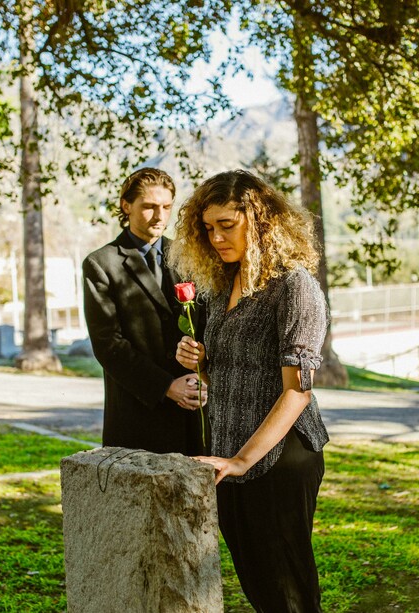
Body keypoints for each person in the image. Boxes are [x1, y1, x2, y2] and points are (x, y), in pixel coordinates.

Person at [170, 169, 329, 612]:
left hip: (280, 458)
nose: (217, 238)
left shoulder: (295, 287)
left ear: (260, 222)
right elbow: (226, 373)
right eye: (208, 228)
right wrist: (197, 361)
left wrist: (242, 460)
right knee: (261, 590)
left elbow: (297, 391)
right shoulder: (221, 287)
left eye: (227, 225)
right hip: (228, 458)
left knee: (289, 593)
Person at [82, 167, 206, 455]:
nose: (160, 216)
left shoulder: (190, 259)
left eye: (166, 207)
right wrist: (166, 386)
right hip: (136, 415)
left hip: (192, 415)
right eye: (149, 206)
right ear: (126, 206)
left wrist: (202, 373)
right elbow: (108, 344)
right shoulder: (101, 264)